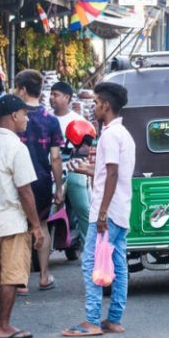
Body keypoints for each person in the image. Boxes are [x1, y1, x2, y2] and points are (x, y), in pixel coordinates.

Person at [63, 82, 135, 337]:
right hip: (120, 210)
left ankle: (92, 320)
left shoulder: (110, 136)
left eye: (95, 103)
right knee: (117, 264)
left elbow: (112, 173)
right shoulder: (123, 134)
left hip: (108, 212)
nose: (93, 107)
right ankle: (113, 318)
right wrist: (85, 169)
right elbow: (110, 172)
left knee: (91, 263)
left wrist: (102, 212)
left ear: (106, 105)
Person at [0, 94, 46, 338]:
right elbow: (25, 190)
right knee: (12, 275)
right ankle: (4, 326)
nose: (26, 119)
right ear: (14, 115)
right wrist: (36, 226)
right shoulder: (16, 147)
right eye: (25, 114)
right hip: (12, 221)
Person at [14, 69, 63, 292]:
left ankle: (21, 281)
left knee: (22, 228)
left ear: (23, 90)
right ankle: (44, 276)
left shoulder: (14, 117)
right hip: (42, 180)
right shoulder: (51, 120)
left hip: (17, 181)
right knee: (41, 225)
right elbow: (55, 157)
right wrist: (59, 187)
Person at [49, 81, 92, 258]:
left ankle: (89, 246)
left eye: (56, 94)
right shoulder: (46, 118)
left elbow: (86, 149)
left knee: (82, 206)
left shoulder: (78, 120)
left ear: (67, 97)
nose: (52, 98)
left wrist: (76, 153)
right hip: (49, 168)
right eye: (51, 94)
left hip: (72, 168)